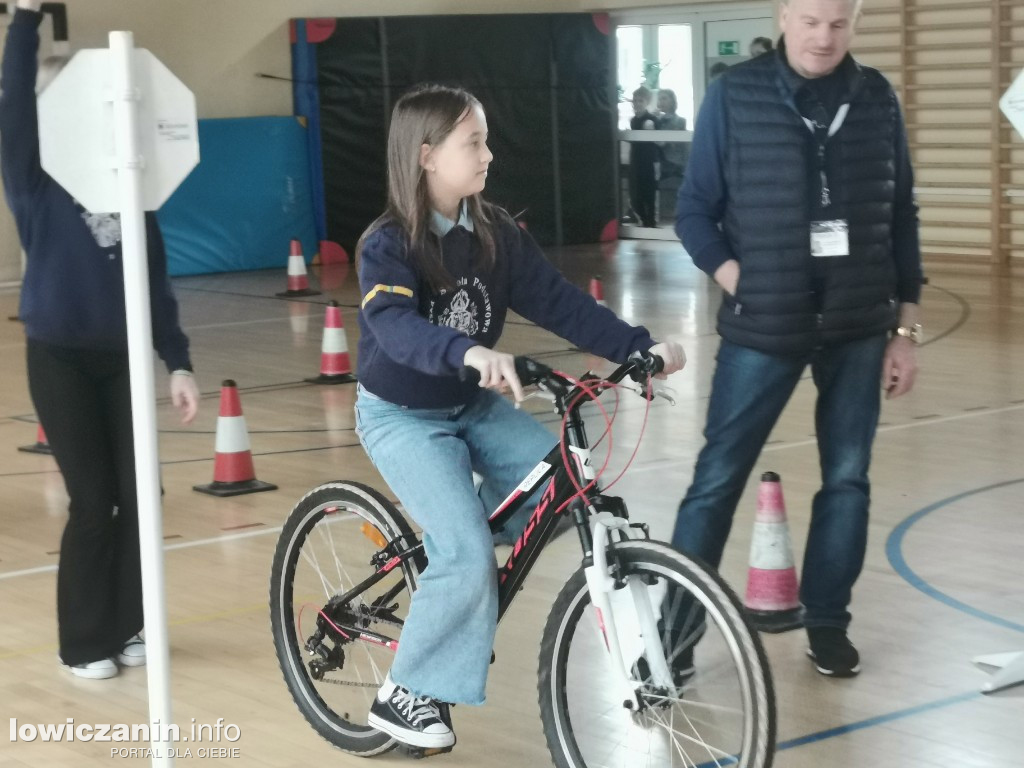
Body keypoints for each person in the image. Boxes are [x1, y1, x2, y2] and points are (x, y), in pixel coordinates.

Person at [354, 84, 685, 750]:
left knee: (564, 488)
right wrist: (469, 350)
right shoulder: (389, 244)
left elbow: (561, 303)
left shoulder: (495, 233)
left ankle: (458, 594)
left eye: (485, 139)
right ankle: (404, 692)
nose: (488, 153)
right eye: (472, 142)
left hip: (470, 402)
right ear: (426, 156)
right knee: (467, 550)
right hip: (402, 414)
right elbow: (392, 326)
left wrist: (637, 348)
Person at [670, 0, 923, 679]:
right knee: (716, 481)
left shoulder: (875, 98)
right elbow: (693, 210)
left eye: (839, 23)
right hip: (763, 326)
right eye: (811, 20)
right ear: (785, 16)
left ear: (856, 20)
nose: (824, 36)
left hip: (859, 327)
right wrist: (737, 278)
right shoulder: (735, 96)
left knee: (847, 479)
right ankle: (674, 638)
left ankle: (828, 622)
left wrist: (904, 326)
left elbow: (900, 213)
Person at [0, 0, 200, 679]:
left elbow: (156, 281)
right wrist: (25, 20)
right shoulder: (34, 186)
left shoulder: (130, 191)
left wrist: (177, 362)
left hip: (120, 364)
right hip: (58, 359)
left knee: (141, 498)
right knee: (94, 503)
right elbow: (15, 111)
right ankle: (84, 643)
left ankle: (128, 624)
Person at [655, 89, 688, 224]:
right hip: (659, 160)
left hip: (673, 161)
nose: (661, 101)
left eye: (665, 98)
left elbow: (669, 141)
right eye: (660, 99)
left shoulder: (679, 121)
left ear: (672, 101)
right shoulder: (655, 120)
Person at [628, 85, 659, 227]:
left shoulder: (651, 120)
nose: (637, 104)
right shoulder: (633, 120)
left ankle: (650, 221)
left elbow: (657, 142)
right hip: (636, 159)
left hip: (648, 161)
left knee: (648, 191)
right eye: (635, 101)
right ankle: (642, 218)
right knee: (636, 191)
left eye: (640, 101)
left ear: (647, 102)